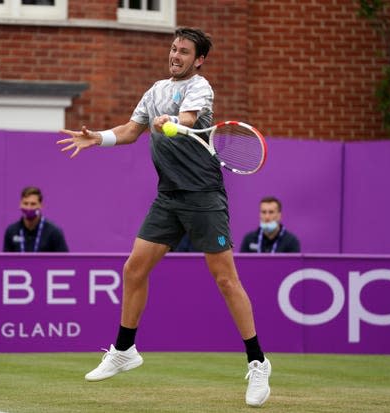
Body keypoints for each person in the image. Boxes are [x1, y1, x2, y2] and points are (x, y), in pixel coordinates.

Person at [56, 27, 271, 407]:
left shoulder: (201, 88)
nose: (176, 55)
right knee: (134, 269)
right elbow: (129, 131)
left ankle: (258, 362)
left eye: (184, 52)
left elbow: (186, 120)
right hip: (168, 197)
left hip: (203, 196)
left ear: (198, 59)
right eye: (173, 49)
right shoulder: (154, 90)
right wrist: (98, 138)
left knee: (225, 279)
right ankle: (125, 350)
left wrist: (171, 122)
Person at [3, 186, 69, 252]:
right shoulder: (11, 231)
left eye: (33, 204)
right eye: (25, 203)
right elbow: (5, 261)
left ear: (40, 205)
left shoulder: (54, 232)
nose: (29, 208)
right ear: (20, 205)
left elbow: (65, 261)